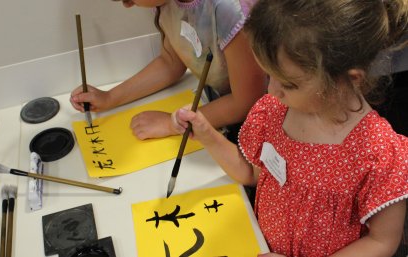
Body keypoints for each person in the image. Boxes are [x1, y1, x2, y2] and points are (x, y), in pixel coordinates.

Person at [173, 0, 408, 256]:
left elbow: (382, 242)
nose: (272, 90)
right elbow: (252, 174)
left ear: (348, 79)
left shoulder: (379, 153)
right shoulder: (274, 112)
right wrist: (207, 135)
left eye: (289, 84)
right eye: (269, 75)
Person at [70, 0, 267, 142]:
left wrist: (172, 124)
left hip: (266, 121)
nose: (127, 5)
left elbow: (247, 102)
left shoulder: (227, 9)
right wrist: (110, 98)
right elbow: (171, 61)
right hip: (222, 103)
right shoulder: (167, 3)